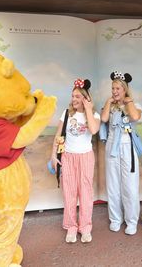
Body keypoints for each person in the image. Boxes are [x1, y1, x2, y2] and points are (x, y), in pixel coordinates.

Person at [51, 78, 100, 243]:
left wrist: (88, 109)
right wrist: (53, 156)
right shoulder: (66, 113)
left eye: (78, 96)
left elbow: (93, 130)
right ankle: (71, 227)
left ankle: (85, 228)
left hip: (85, 157)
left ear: (85, 98)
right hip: (68, 157)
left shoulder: (94, 115)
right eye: (73, 96)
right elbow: (58, 136)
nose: (74, 99)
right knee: (69, 193)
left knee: (85, 194)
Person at [101, 71, 142, 235]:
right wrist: (108, 102)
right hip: (112, 146)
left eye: (118, 88)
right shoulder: (110, 106)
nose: (114, 91)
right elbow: (103, 120)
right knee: (113, 186)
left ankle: (131, 221)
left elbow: (134, 116)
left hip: (127, 146)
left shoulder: (134, 104)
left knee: (130, 186)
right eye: (113, 88)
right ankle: (116, 219)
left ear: (124, 89)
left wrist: (127, 101)